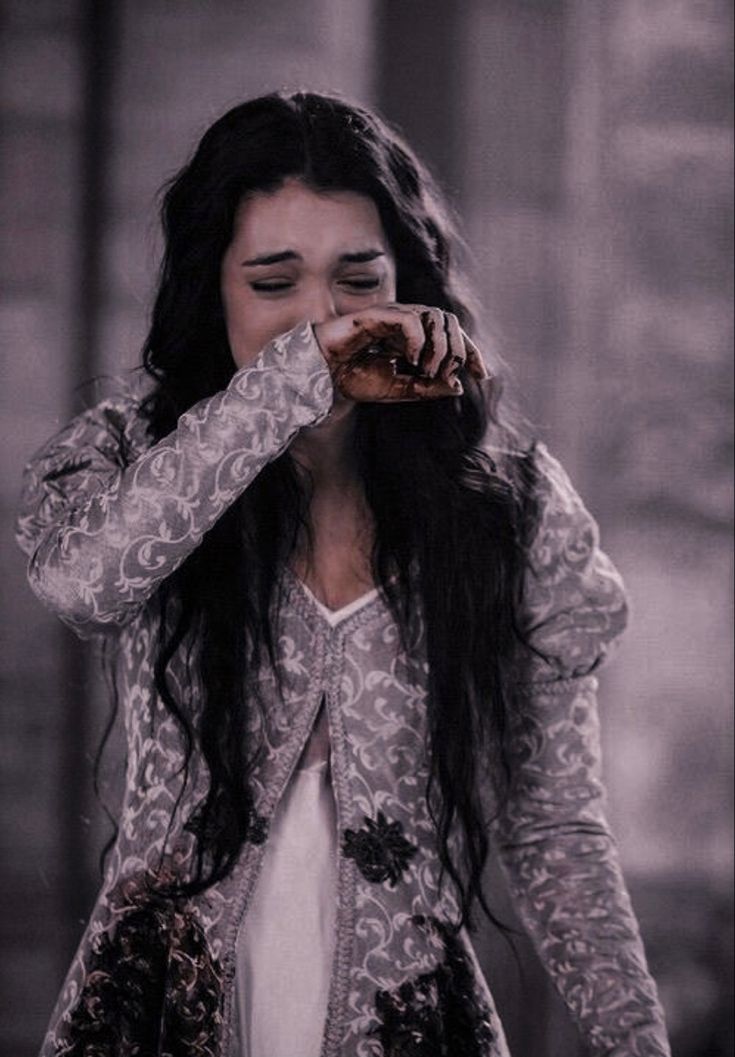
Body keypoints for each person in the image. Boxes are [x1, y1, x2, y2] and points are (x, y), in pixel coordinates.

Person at [15, 91, 670, 1057]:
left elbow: (556, 832)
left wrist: (637, 1044)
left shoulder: (510, 506)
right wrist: (291, 382)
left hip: (406, 1022)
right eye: (274, 283)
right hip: (159, 1015)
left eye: (357, 280)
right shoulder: (132, 460)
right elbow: (82, 584)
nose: (324, 319)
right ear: (214, 291)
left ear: (412, 284)